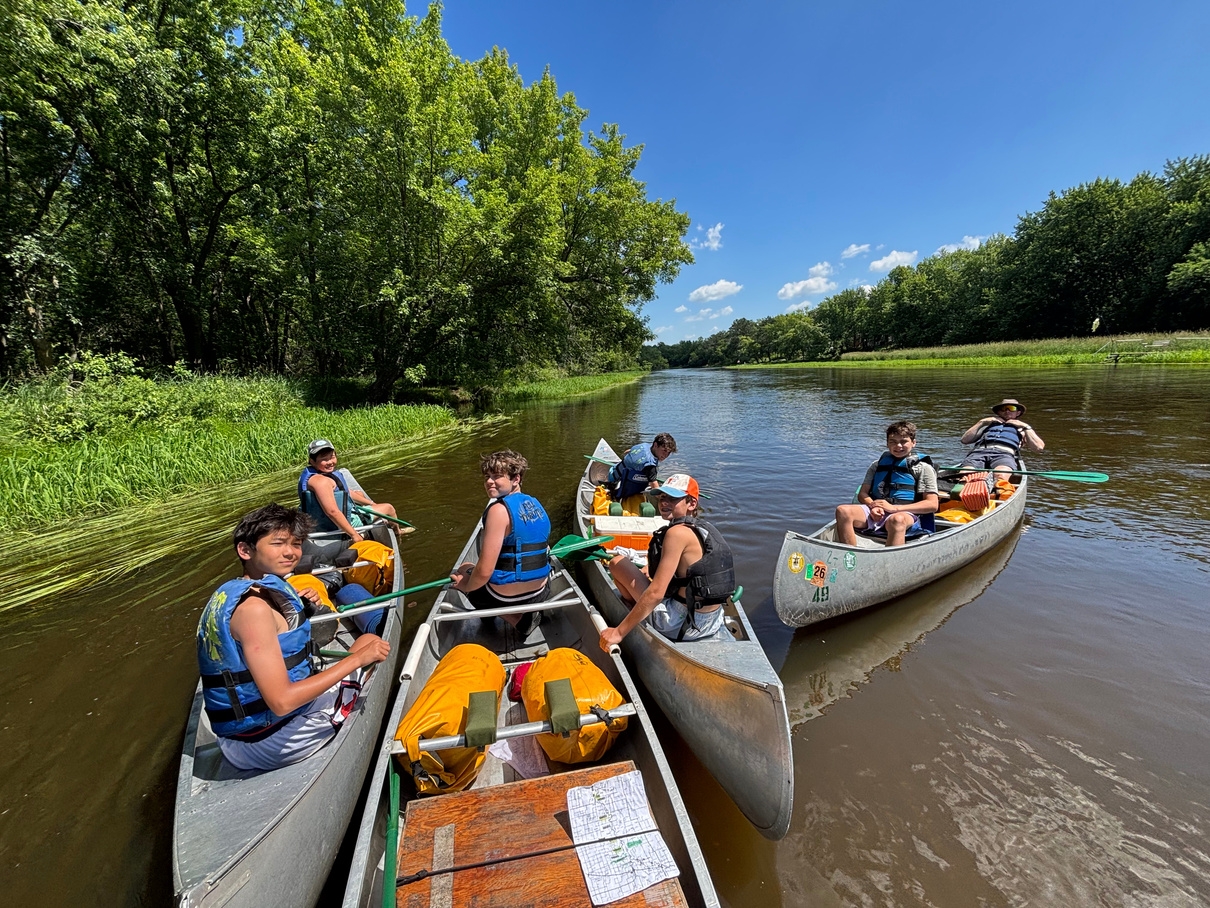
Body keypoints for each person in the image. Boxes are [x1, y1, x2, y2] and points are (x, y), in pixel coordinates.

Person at [196, 504, 391, 771]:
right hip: (273, 742)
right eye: (278, 543)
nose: (290, 552)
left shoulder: (241, 591)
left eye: (296, 543)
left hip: (243, 737)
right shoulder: (253, 610)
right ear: (245, 550)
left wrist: (298, 607)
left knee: (365, 646)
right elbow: (282, 702)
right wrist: (358, 660)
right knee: (368, 645)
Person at [598, 473, 735, 650]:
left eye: (673, 498)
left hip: (679, 624)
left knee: (618, 563)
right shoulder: (703, 529)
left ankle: (632, 611)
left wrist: (618, 633)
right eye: (662, 497)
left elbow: (656, 593)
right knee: (645, 573)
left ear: (692, 503)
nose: (664, 502)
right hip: (712, 622)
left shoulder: (675, 533)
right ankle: (637, 607)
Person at [449, 450, 551, 637]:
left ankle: (518, 620)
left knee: (464, 571)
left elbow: (484, 572)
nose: (489, 481)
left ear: (516, 479)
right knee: (475, 572)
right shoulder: (535, 503)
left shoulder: (498, 511)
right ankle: (522, 610)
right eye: (487, 476)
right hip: (542, 591)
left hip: (506, 597)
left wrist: (466, 587)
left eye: (497, 476)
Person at [835, 421, 939, 547]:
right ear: (887, 443)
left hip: (905, 513)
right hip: (876, 510)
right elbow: (862, 494)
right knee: (843, 511)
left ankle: (892, 563)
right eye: (893, 442)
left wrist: (894, 509)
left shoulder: (923, 468)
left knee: (897, 520)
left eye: (903, 441)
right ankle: (850, 555)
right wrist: (873, 505)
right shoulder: (877, 465)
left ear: (913, 443)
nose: (898, 446)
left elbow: (932, 504)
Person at [298, 439, 401, 543]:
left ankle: (368, 515)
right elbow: (332, 512)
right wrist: (354, 535)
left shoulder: (313, 475)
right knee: (389, 508)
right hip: (336, 525)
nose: (330, 462)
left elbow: (346, 492)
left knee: (359, 494)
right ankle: (398, 533)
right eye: (324, 459)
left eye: (332, 457)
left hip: (318, 522)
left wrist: (371, 503)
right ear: (312, 461)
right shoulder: (321, 482)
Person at [958, 398, 1045, 478]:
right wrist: (981, 422)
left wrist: (1026, 427)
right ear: (999, 412)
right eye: (1003, 409)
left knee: (1000, 475)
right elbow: (965, 440)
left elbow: (1039, 448)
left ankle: (998, 490)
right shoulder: (987, 425)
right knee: (966, 474)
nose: (1007, 411)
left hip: (1004, 454)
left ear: (1018, 413)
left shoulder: (1023, 429)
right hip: (979, 453)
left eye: (1011, 408)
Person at [607, 433, 677, 501]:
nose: (665, 455)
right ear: (655, 445)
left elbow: (627, 452)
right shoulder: (650, 466)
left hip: (612, 472)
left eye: (668, 452)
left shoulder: (644, 446)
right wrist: (665, 499)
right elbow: (655, 488)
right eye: (664, 450)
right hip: (617, 486)